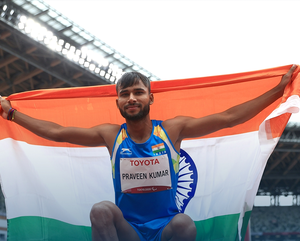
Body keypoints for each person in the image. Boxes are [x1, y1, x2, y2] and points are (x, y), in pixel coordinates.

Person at [0, 64, 297, 241]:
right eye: (125, 93)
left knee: (185, 223)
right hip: (128, 232)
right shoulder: (111, 135)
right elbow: (56, 132)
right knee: (101, 210)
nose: (131, 98)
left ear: (150, 97)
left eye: (138, 92)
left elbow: (230, 117)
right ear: (117, 101)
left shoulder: (171, 131)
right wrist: (12, 114)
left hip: (165, 231)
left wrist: (277, 91)